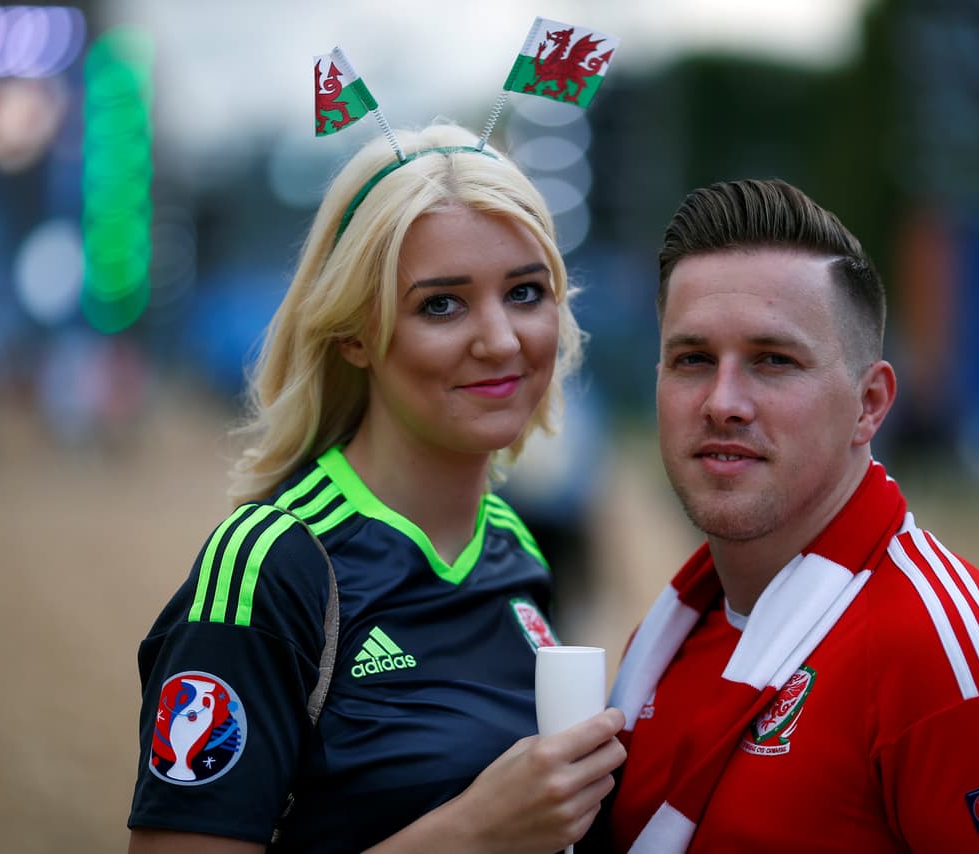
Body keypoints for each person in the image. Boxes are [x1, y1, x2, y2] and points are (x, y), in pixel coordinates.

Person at [127, 122, 625, 853]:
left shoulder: (515, 546)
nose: (501, 339)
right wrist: (474, 832)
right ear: (354, 333)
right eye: (441, 304)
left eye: (525, 292)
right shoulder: (271, 564)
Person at [596, 179, 979, 852]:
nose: (723, 402)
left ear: (870, 404)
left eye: (773, 361)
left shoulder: (939, 660)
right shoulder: (669, 635)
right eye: (693, 359)